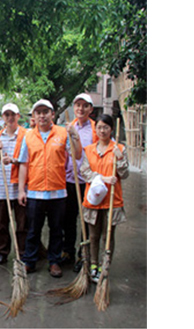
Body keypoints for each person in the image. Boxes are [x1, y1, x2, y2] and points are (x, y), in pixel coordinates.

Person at [17, 99, 82, 278]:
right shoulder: (28, 136)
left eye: (45, 111)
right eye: (38, 112)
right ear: (34, 116)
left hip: (58, 192)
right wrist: (22, 190)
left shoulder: (63, 133)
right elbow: (24, 164)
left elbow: (77, 155)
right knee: (33, 230)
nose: (42, 115)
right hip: (35, 191)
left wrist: (74, 135)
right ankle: (29, 261)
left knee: (56, 229)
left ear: (52, 114)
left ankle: (54, 262)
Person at [79, 114, 129, 283]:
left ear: (111, 129)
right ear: (96, 129)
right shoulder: (89, 149)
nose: (102, 130)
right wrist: (103, 178)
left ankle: (105, 264)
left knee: (108, 235)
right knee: (93, 235)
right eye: (99, 127)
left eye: (106, 127)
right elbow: (85, 172)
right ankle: (93, 265)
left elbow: (124, 174)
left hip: (111, 200)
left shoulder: (119, 149)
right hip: (93, 200)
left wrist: (120, 158)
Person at [62, 93, 99, 271]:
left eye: (85, 106)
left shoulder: (95, 128)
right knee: (68, 218)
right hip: (70, 179)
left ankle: (83, 255)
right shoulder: (68, 127)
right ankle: (67, 251)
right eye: (78, 105)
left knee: (86, 219)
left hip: (88, 181)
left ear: (90, 109)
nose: (81, 109)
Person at [0, 103, 27, 264]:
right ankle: (2, 251)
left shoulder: (26, 135)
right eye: (7, 115)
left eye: (13, 114)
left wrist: (13, 160)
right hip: (1, 184)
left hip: (20, 184)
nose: (10, 118)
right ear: (3, 117)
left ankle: (23, 252)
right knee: (2, 223)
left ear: (18, 116)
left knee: (22, 223)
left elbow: (29, 159)